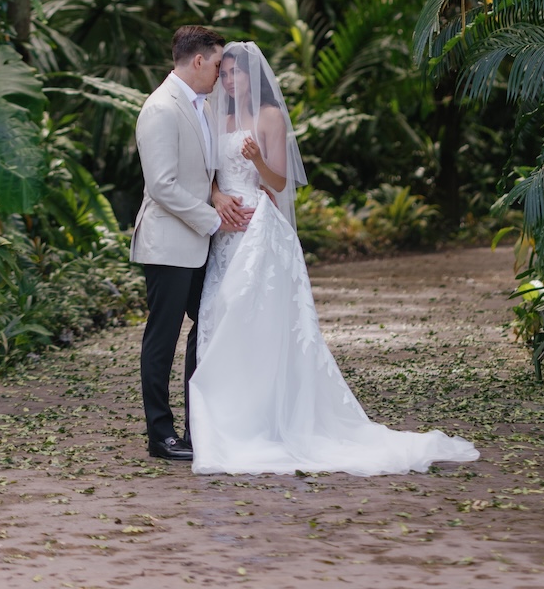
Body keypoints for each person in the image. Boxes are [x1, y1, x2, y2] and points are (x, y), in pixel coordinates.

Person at [187, 39, 480, 476]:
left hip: (258, 228)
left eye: (236, 72)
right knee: (217, 316)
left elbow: (281, 182)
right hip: (226, 228)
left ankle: (263, 419)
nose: (229, 79)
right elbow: (207, 173)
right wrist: (215, 196)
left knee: (257, 319)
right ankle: (219, 420)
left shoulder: (269, 117)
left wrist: (256, 161)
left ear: (254, 76)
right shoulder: (215, 114)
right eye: (224, 72)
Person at [131, 24, 252, 462]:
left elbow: (202, 172)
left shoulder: (203, 104)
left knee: (210, 326)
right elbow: (161, 186)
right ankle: (160, 435)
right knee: (161, 339)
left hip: (197, 243)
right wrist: (214, 218)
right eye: (218, 64)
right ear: (197, 60)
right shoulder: (161, 108)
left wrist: (217, 193)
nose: (222, 74)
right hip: (169, 243)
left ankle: (199, 425)